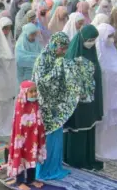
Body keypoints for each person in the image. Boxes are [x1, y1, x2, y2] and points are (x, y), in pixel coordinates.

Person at [33, 32, 93, 181]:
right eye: (62, 48)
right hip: (45, 106)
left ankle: (55, 166)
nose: (64, 52)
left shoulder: (58, 59)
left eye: (66, 49)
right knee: (48, 140)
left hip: (57, 107)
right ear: (54, 45)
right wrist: (58, 69)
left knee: (57, 139)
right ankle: (44, 169)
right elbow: (41, 83)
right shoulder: (42, 59)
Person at [63, 25, 103, 171]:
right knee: (76, 128)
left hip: (89, 102)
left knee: (87, 127)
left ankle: (86, 157)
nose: (91, 42)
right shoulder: (72, 55)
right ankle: (73, 159)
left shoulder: (92, 54)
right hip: (76, 102)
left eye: (94, 40)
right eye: (89, 39)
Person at [93, 24, 117, 161]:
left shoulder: (113, 53)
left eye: (112, 36)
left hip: (115, 95)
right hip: (104, 95)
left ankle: (112, 147)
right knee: (103, 123)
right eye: (109, 36)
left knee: (112, 126)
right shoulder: (98, 53)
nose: (111, 39)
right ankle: (100, 149)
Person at [7, 81, 46, 185]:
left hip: (33, 137)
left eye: (35, 91)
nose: (34, 94)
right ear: (24, 93)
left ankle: (31, 180)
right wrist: (20, 139)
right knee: (21, 156)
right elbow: (18, 124)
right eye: (31, 92)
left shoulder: (35, 104)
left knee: (32, 155)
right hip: (21, 139)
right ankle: (20, 182)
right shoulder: (20, 105)